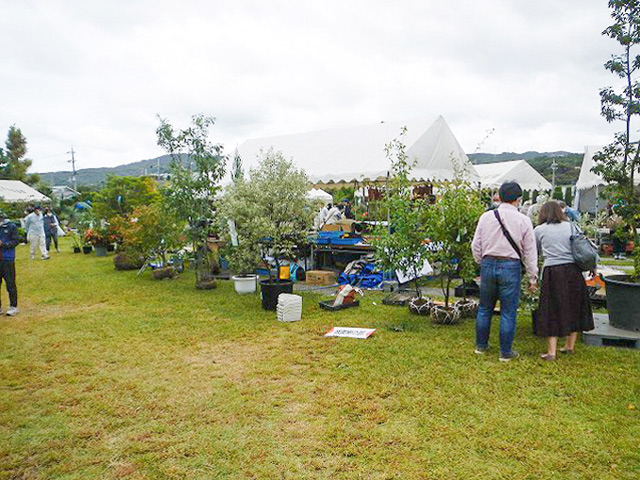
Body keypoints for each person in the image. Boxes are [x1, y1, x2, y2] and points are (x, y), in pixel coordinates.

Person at [471, 182, 538, 361]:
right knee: (508, 311)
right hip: (511, 266)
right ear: (518, 200)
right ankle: (505, 352)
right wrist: (533, 276)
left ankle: (481, 346)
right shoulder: (524, 220)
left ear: (499, 196)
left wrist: (481, 261)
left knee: (485, 307)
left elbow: (475, 244)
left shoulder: (486, 217)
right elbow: (530, 251)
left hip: (488, 263)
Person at [534, 201, 594, 361]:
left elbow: (535, 252)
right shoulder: (572, 226)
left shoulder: (539, 230)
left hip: (553, 271)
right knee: (574, 305)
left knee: (551, 308)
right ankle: (569, 345)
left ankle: (551, 352)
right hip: (573, 271)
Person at [0, 210, 19, 315]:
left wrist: (4, 244)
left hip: (7, 258)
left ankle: (13, 306)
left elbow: (16, 241)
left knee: (10, 283)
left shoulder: (11, 226)